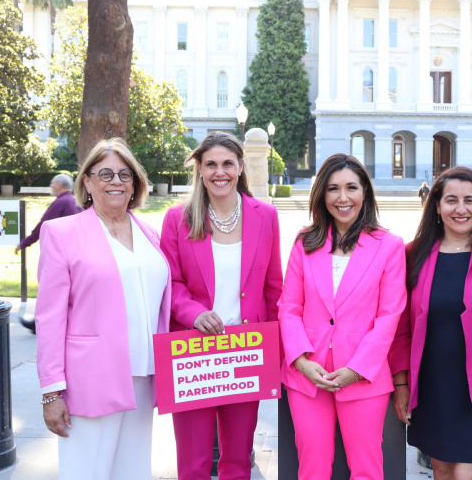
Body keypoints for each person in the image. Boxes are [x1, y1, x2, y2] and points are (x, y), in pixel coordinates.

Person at [35, 138, 171, 480]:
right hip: (90, 380)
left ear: (135, 183)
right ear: (87, 181)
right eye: (106, 173)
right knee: (88, 472)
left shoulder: (149, 233)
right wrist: (51, 392)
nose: (116, 181)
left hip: (143, 376)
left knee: (133, 471)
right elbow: (50, 317)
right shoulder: (62, 233)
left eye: (125, 174)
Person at [159, 131, 283, 480]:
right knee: (194, 462)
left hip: (246, 351)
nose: (220, 172)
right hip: (193, 352)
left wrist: (278, 352)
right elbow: (171, 283)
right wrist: (195, 313)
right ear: (199, 168)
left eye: (228, 163)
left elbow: (274, 287)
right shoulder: (178, 218)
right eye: (210, 164)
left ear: (241, 166)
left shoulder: (266, 216)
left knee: (238, 461)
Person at [389, 166, 472, 480]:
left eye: (470, 200)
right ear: (436, 205)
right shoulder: (413, 255)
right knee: (442, 469)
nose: (460, 209)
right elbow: (401, 331)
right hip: (432, 386)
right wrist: (401, 386)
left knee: (466, 473)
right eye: (451, 200)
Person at [278, 153, 406, 480]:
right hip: (308, 375)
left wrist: (356, 369)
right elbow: (289, 307)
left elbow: (389, 315)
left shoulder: (389, 246)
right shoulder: (305, 242)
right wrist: (302, 362)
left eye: (351, 187)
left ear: (365, 192)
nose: (343, 197)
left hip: (362, 375)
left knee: (365, 468)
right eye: (333, 189)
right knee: (312, 467)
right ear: (322, 194)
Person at [16, 173, 82, 333]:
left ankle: (39, 325)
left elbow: (42, 226)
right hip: (78, 254)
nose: (51, 186)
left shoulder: (61, 202)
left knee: (52, 292)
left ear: (60, 185)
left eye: (52, 183)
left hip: (63, 256)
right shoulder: (75, 201)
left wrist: (24, 243)